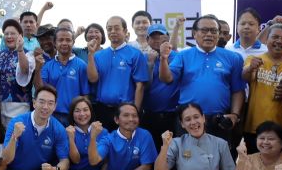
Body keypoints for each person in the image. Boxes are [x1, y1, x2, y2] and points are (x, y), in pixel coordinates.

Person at [159, 14, 244, 142]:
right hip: (189, 118)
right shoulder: (183, 55)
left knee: (218, 160)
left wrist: (235, 114)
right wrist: (164, 58)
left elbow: (238, 89)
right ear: (194, 33)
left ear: (219, 34)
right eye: (204, 30)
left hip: (219, 120)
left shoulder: (233, 57)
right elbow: (167, 79)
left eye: (214, 31)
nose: (209, 34)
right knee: (187, 159)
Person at [1, 85, 70, 170]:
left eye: (50, 103)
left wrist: (54, 169)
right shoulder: (17, 122)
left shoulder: (58, 128)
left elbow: (65, 161)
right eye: (42, 101)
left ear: (55, 106)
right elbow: (6, 159)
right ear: (34, 102)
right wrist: (15, 137)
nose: (45, 106)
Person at [242, 23, 282, 154]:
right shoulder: (254, 59)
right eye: (275, 37)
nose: (279, 41)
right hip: (256, 129)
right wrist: (250, 68)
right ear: (266, 40)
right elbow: (245, 77)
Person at [87, 16, 148, 130]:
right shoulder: (99, 55)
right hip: (102, 110)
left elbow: (140, 86)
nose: (112, 32)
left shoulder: (135, 54)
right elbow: (93, 79)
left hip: (125, 110)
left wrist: (135, 113)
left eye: (116, 28)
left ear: (125, 31)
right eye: (109, 29)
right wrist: (90, 55)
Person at [37, 26, 88, 126]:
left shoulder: (81, 65)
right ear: (55, 43)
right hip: (51, 115)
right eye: (60, 40)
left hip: (73, 116)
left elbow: (85, 95)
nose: (64, 43)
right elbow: (40, 88)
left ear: (73, 42)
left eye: (68, 40)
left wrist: (81, 115)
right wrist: (38, 69)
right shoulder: (47, 65)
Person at [142, 24, 180, 154]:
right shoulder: (142, 57)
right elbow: (143, 86)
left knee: (173, 154)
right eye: (153, 37)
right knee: (151, 155)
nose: (157, 39)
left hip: (172, 115)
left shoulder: (176, 56)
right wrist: (150, 64)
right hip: (149, 115)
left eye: (161, 36)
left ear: (167, 38)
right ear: (147, 40)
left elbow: (170, 79)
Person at [0, 19, 34, 123]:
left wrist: (20, 50)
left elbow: (25, 71)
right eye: (6, 34)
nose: (9, 36)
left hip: (20, 103)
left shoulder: (28, 53)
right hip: (1, 102)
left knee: (18, 135)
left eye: (12, 33)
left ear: (20, 35)